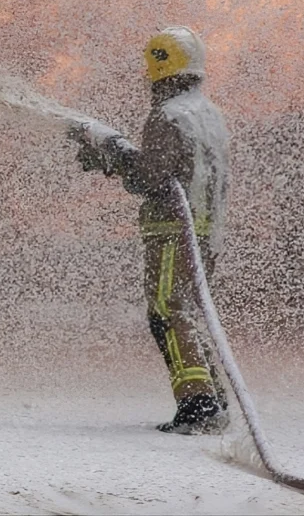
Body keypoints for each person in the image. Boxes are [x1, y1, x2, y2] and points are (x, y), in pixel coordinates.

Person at [75, 26, 229, 434]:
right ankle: (215, 396)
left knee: (167, 312)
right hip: (205, 233)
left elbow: (152, 179)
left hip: (172, 231)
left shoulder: (167, 115)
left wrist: (112, 153)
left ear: (162, 68)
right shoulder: (209, 114)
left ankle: (197, 404)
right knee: (191, 312)